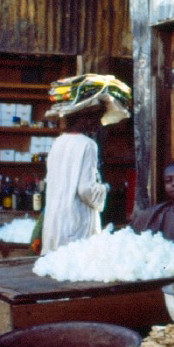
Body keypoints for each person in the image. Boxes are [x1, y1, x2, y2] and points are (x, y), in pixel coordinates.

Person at [40, 103, 111, 254]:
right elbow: (85, 189)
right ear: (85, 119)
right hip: (76, 219)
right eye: (96, 119)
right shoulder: (88, 145)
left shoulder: (57, 142)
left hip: (55, 220)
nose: (98, 124)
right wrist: (105, 188)